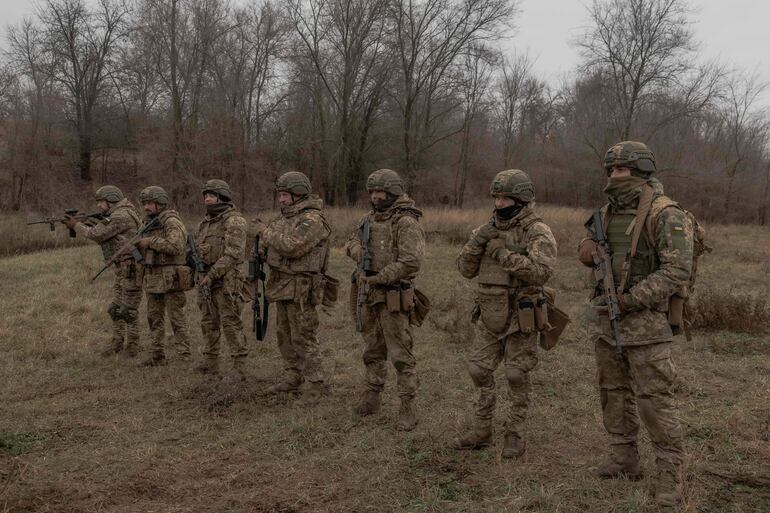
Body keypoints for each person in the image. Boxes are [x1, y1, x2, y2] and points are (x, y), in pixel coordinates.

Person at [578, 141, 693, 507]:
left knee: (654, 401)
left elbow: (676, 271)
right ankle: (624, 456)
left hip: (646, 325)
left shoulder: (666, 213)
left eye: (621, 170)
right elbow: (597, 250)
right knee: (612, 392)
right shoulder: (608, 212)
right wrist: (587, 250)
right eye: (610, 170)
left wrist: (630, 299)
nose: (614, 176)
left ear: (641, 171)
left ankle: (669, 472)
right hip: (606, 321)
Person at [453, 169, 557, 458]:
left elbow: (540, 273)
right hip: (489, 310)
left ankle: (515, 433)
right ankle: (482, 429)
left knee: (516, 374)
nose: (499, 204)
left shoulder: (537, 231)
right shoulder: (485, 229)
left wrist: (503, 254)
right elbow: (464, 269)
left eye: (505, 198)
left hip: (521, 314)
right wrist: (477, 243)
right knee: (478, 369)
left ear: (521, 199)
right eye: (496, 198)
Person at [344, 169, 425, 431]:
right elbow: (350, 242)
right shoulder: (368, 219)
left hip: (393, 295)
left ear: (393, 192)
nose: (376, 196)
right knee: (372, 349)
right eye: (372, 192)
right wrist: (360, 253)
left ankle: (407, 406)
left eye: (381, 192)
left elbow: (411, 261)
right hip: (369, 294)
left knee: (401, 353)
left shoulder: (406, 221)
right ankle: (372, 395)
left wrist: (380, 276)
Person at [252, 172, 331, 403]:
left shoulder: (313, 219)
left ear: (298, 194)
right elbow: (267, 247)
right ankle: (293, 377)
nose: (281, 200)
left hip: (301, 288)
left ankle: (315, 384)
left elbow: (292, 246)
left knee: (303, 336)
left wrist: (264, 232)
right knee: (284, 335)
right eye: (280, 195)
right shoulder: (282, 219)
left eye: (285, 195)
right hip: (281, 285)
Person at [63, 185, 143, 357]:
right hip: (122, 267)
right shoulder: (118, 213)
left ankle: (133, 347)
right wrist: (87, 222)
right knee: (115, 308)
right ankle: (117, 343)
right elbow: (104, 231)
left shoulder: (121, 215)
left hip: (131, 267)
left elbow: (97, 234)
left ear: (111, 200)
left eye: (101, 202)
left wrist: (76, 225)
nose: (99, 205)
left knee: (128, 310)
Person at [193, 179, 249, 379]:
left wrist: (212, 274)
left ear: (222, 197)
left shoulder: (234, 221)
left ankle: (239, 366)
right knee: (208, 321)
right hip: (206, 280)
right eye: (205, 195)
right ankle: (210, 362)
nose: (207, 199)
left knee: (230, 322)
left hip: (226, 280)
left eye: (212, 195)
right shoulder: (205, 223)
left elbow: (233, 254)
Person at [137, 186, 193, 366]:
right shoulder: (146, 223)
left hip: (171, 277)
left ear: (160, 203)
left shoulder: (171, 221)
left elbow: (176, 246)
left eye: (150, 203)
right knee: (154, 318)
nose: (146, 207)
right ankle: (157, 355)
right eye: (144, 203)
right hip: (152, 276)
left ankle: (184, 356)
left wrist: (150, 241)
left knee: (176, 318)